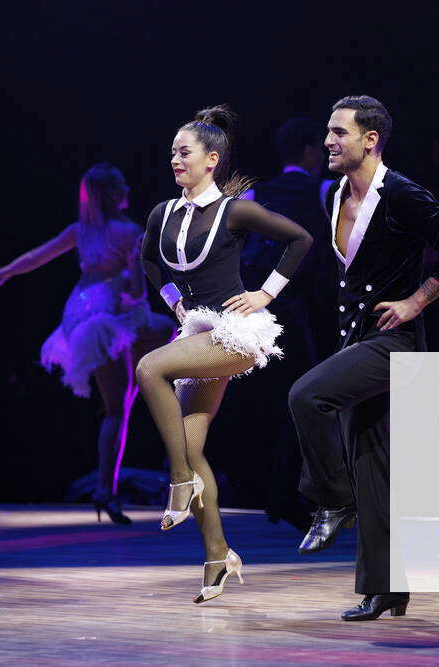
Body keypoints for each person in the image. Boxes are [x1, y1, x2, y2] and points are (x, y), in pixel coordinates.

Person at [289, 96, 439, 620]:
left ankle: (331, 499)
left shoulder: (400, 194)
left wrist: (416, 301)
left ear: (370, 140)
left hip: (395, 344)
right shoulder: (333, 194)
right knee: (371, 463)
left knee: (306, 395)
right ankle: (386, 588)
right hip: (356, 342)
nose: (328, 141)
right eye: (327, 132)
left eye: (338, 132)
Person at [137, 105, 313, 603]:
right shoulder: (163, 213)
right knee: (193, 448)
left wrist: (265, 294)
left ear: (211, 159)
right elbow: (148, 259)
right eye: (172, 152)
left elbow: (300, 240)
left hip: (235, 333)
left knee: (149, 368)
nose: (175, 159)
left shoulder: (234, 210)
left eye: (184, 152)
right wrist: (173, 302)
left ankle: (177, 482)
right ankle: (218, 556)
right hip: (196, 331)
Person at [0, 163, 175, 524]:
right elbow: (136, 293)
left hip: (78, 315)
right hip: (106, 318)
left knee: (151, 349)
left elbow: (37, 256)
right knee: (121, 405)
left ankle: (124, 400)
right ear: (113, 194)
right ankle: (105, 489)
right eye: (122, 185)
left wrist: (3, 272)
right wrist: (133, 272)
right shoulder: (130, 233)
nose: (128, 188)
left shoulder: (81, 231)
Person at [240, 117, 339, 531]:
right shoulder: (322, 191)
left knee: (262, 401)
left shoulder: (255, 192)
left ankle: (272, 492)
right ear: (311, 152)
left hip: (246, 310)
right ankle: (287, 495)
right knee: (305, 402)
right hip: (296, 312)